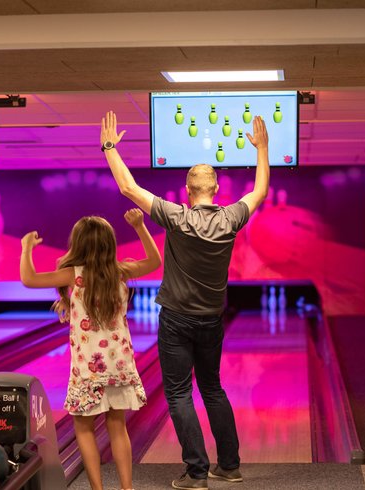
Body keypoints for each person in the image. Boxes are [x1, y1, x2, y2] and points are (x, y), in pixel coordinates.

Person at [100, 110, 269, 489]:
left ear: (187, 189)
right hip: (212, 319)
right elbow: (259, 192)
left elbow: (129, 188)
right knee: (213, 388)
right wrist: (263, 148)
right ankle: (229, 466)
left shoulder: (176, 217)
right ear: (216, 189)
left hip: (176, 318)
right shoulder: (230, 218)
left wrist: (109, 147)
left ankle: (196, 473)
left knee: (179, 393)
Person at [20, 209, 161, 490]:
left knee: (83, 428)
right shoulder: (121, 271)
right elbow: (156, 261)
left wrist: (26, 249)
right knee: (117, 426)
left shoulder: (73, 274)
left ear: (78, 244)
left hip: (87, 369)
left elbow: (29, 279)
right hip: (120, 365)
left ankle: (97, 489)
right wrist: (140, 227)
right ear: (110, 244)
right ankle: (126, 488)